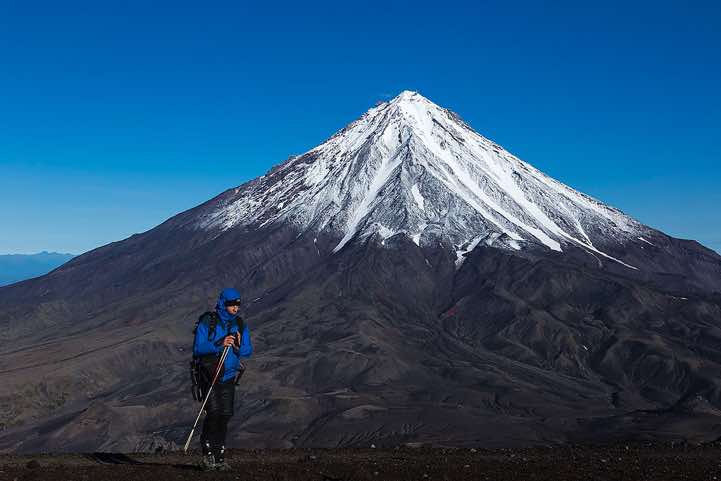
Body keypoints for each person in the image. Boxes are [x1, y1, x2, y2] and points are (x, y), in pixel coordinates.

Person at [192, 288, 252, 471]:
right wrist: (219, 344)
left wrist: (237, 346)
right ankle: (208, 453)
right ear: (223, 304)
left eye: (237, 305)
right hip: (209, 375)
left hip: (228, 375)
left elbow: (248, 351)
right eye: (231, 304)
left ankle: (219, 455)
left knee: (225, 414)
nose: (235, 308)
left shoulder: (240, 324)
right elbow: (198, 348)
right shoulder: (208, 321)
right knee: (214, 413)